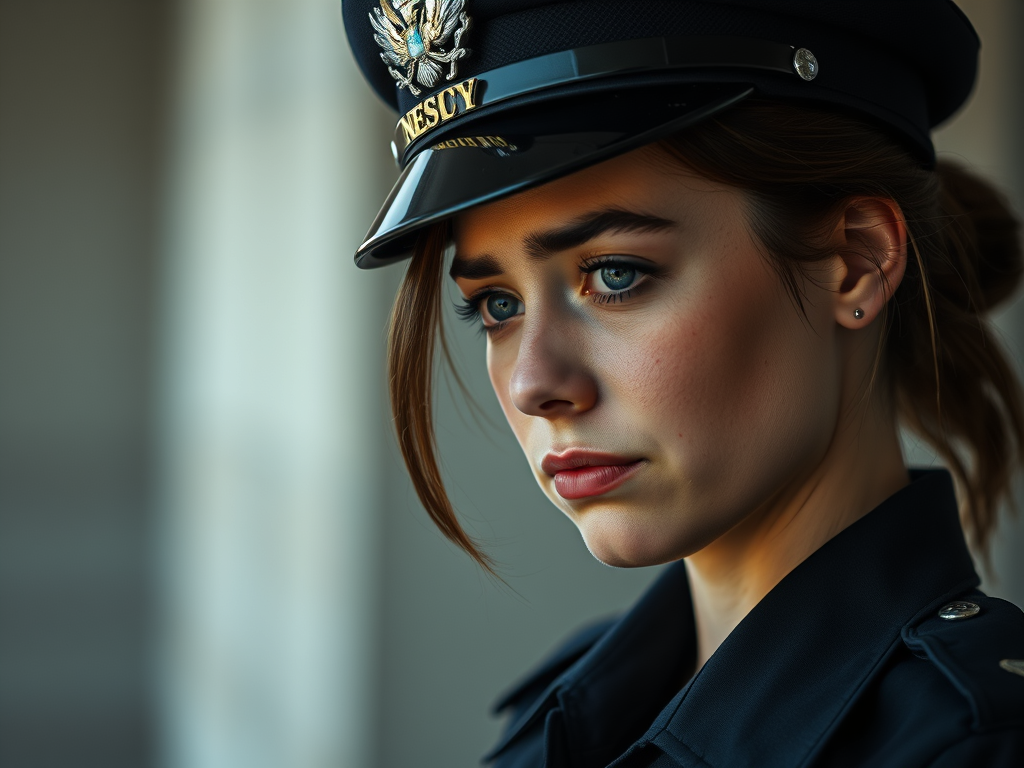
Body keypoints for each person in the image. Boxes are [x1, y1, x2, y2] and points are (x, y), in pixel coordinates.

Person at [342, 0, 1024, 764]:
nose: (535, 383)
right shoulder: (560, 716)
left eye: (616, 275)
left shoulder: (979, 743)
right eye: (496, 306)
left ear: (855, 260)